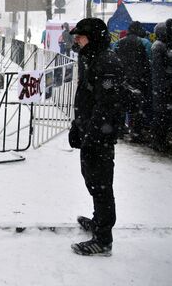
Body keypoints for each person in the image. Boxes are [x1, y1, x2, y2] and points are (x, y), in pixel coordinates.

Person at [68, 18, 124, 256]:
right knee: (92, 180)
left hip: (100, 134)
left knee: (102, 185)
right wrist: (76, 125)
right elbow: (85, 96)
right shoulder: (88, 57)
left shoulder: (107, 62)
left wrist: (91, 135)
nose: (76, 40)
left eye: (80, 36)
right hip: (89, 130)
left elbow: (106, 106)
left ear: (94, 37)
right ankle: (98, 221)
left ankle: (103, 240)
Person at [114, 21, 152, 143]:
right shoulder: (144, 42)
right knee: (137, 109)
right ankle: (136, 133)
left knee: (120, 106)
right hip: (138, 81)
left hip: (122, 80)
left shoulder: (118, 43)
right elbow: (149, 61)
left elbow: (113, 60)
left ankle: (119, 131)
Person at [151, 19, 172, 153]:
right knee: (160, 115)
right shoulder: (158, 46)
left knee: (163, 115)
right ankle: (158, 141)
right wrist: (165, 84)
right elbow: (159, 69)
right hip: (161, 87)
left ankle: (160, 141)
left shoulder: (164, 45)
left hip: (164, 86)